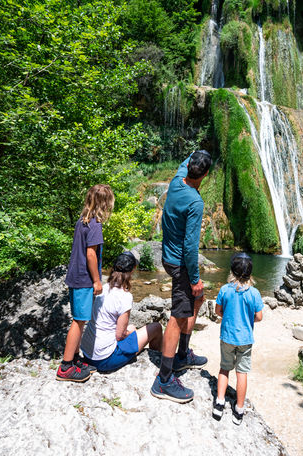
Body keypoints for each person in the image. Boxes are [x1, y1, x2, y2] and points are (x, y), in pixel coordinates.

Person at [151, 150, 212, 403]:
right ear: (205, 175)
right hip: (180, 265)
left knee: (197, 300)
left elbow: (186, 160)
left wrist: (196, 155)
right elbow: (190, 247)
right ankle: (164, 380)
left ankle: (184, 354)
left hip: (168, 258)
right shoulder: (195, 203)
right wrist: (195, 278)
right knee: (177, 317)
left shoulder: (177, 181)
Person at [57, 184, 115, 382]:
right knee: (79, 320)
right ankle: (66, 367)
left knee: (79, 319)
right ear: (104, 204)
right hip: (84, 279)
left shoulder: (82, 221)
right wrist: (97, 281)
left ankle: (74, 359)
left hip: (75, 276)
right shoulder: (95, 225)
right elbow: (91, 254)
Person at [80, 251, 163, 373]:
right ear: (132, 271)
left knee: (132, 326)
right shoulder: (125, 296)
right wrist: (131, 331)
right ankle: (158, 361)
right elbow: (119, 336)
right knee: (156, 327)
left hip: (87, 354)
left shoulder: (102, 288)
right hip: (104, 360)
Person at [212, 253, 263, 426]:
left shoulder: (225, 290)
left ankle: (219, 403)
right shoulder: (254, 293)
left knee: (224, 368)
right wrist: (248, 320)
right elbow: (259, 316)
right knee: (242, 373)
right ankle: (239, 409)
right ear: (250, 272)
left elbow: (218, 311)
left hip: (227, 336)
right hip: (245, 339)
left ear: (232, 271)